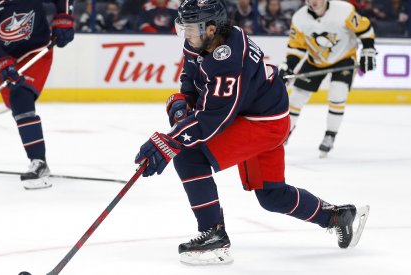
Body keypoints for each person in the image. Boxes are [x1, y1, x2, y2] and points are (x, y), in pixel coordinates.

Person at [134, 0, 369, 265]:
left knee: (189, 157)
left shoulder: (228, 60)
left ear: (211, 29)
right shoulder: (202, 40)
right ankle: (338, 217)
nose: (186, 35)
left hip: (262, 123)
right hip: (262, 115)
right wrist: (182, 102)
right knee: (272, 195)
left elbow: (213, 119)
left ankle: (214, 235)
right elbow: (191, 77)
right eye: (184, 28)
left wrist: (170, 141)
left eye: (191, 28)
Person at [0, 0, 75, 189]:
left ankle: (39, 161)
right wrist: (1, 62)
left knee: (21, 97)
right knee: (15, 102)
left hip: (36, 51)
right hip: (7, 57)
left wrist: (64, 15)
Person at [278, 0, 377, 157]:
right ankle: (284, 133)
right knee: (296, 97)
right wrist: (288, 66)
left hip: (343, 58)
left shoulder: (344, 10)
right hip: (315, 60)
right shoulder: (299, 18)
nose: (314, 1)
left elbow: (364, 29)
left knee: (338, 94)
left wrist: (368, 49)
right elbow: (296, 47)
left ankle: (330, 135)